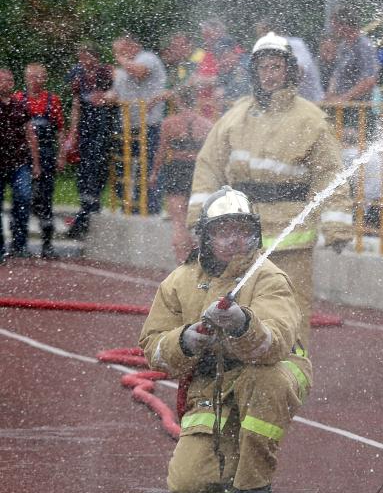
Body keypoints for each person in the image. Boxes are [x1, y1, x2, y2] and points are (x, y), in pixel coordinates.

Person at [139, 186, 309, 493]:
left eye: (243, 230)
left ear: (255, 234)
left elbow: (273, 345)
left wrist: (243, 324)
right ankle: (229, 459)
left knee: (263, 379)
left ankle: (253, 483)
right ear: (206, 236)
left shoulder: (268, 277)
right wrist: (185, 340)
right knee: (189, 485)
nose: (235, 240)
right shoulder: (179, 282)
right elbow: (153, 349)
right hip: (211, 385)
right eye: (224, 230)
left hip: (269, 372)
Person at [187, 32, 353, 348]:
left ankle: (290, 372)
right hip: (239, 237)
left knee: (290, 310)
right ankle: (240, 369)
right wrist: (199, 218)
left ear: (290, 71)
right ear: (254, 72)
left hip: (290, 240)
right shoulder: (235, 117)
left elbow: (329, 176)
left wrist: (336, 226)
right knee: (237, 308)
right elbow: (208, 166)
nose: (269, 75)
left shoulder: (310, 119)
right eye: (263, 68)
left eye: (276, 67)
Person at [149, 86, 213, 263]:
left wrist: (154, 173)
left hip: (177, 169)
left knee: (178, 221)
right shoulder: (206, 124)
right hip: (197, 170)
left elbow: (161, 152)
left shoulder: (169, 123)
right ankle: (201, 259)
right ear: (195, 100)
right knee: (200, 219)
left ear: (178, 101)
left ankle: (181, 262)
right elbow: (211, 154)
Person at [107, 33, 167, 214]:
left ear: (132, 46)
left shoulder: (147, 58)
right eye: (116, 52)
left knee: (147, 168)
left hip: (149, 123)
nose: (118, 55)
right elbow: (116, 95)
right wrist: (101, 98)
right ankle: (128, 204)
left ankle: (149, 207)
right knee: (121, 166)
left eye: (120, 50)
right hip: (128, 124)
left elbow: (140, 72)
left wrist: (122, 60)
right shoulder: (124, 69)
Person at [64, 43, 115, 240]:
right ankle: (86, 212)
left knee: (96, 168)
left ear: (95, 57)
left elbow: (113, 96)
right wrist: (73, 132)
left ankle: (88, 214)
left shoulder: (106, 72)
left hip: (102, 124)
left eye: (87, 58)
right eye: (82, 58)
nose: (84, 62)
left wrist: (103, 97)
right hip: (86, 125)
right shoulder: (78, 74)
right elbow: (77, 104)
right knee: (85, 171)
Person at [14, 64, 65, 258]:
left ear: (46, 79)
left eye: (40, 77)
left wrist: (61, 155)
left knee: (45, 199)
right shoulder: (18, 99)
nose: (36, 81)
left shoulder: (52, 101)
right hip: (21, 155)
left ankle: (47, 245)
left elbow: (60, 130)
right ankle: (20, 244)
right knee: (22, 198)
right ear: (26, 78)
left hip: (46, 154)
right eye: (33, 77)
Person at [0, 68, 40, 259]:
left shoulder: (20, 105)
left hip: (19, 162)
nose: (7, 83)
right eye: (3, 80)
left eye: (10, 79)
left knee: (23, 198)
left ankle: (19, 242)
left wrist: (36, 162)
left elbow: (30, 133)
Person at [253, 21, 324, 102]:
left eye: (261, 35)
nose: (259, 39)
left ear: (273, 34)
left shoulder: (296, 44)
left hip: (313, 102)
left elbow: (298, 71)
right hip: (284, 102)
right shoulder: (264, 51)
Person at [324, 6, 379, 103]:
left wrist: (344, 98)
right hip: (341, 104)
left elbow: (369, 80)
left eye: (335, 26)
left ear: (345, 26)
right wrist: (329, 95)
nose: (333, 29)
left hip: (360, 106)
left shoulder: (364, 46)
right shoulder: (343, 46)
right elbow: (336, 75)